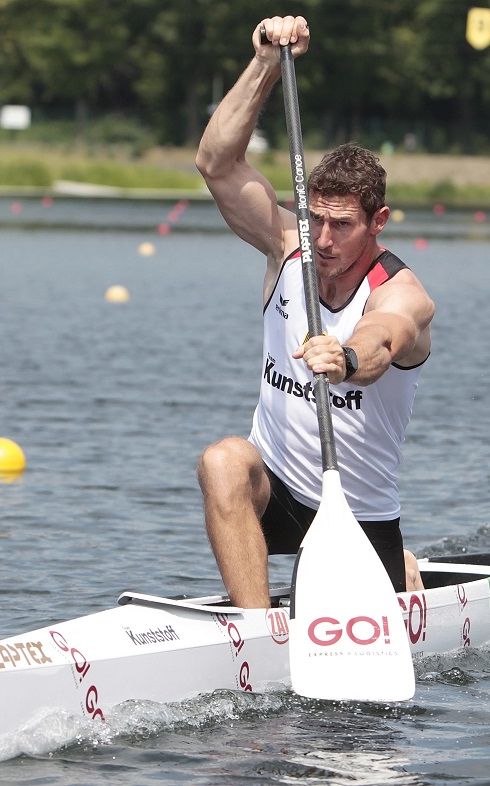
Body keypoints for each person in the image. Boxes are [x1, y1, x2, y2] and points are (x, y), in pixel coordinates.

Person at [194, 15, 434, 609]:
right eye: (315, 219)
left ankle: (397, 562)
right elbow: (216, 164)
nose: (322, 239)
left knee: (368, 575)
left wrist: (345, 357)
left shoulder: (402, 294)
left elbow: (383, 340)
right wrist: (265, 63)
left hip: (357, 514)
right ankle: (256, 632)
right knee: (223, 461)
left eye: (342, 225)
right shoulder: (287, 244)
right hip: (276, 488)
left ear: (378, 222)